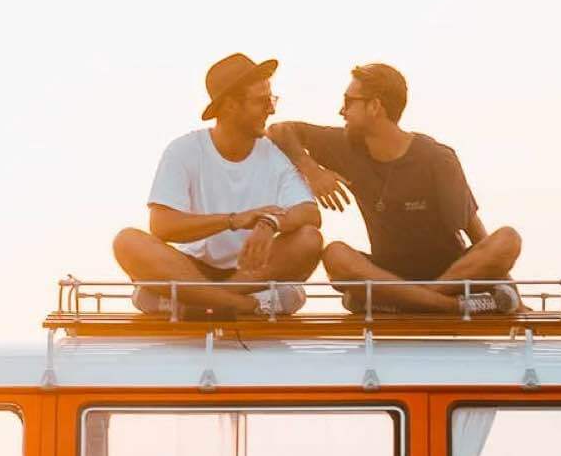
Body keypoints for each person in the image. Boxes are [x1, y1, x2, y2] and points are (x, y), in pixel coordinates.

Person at [268, 63, 522, 315]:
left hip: (450, 275)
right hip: (388, 274)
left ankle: (408, 302)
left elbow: (473, 228)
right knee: (335, 254)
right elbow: (280, 130)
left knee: (508, 239)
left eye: (349, 101)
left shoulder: (437, 158)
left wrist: (511, 288)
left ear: (375, 106)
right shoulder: (344, 145)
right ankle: (449, 307)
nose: (341, 111)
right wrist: (313, 171)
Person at [113, 53, 323, 317]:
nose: (271, 109)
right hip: (190, 270)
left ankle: (205, 300)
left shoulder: (276, 155)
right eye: (262, 101)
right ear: (229, 106)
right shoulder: (184, 150)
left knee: (309, 239)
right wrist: (233, 220)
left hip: (251, 273)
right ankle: (235, 303)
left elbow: (310, 214)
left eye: (271, 99)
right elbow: (162, 226)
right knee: (127, 241)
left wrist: (271, 222)